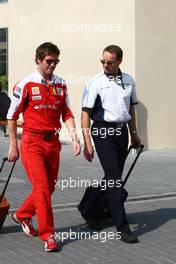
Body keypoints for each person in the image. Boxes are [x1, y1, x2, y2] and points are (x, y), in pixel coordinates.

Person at [7, 42, 81, 252]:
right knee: (41, 189)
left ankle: (21, 215)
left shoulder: (60, 83)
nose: (52, 65)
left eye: (56, 61)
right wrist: (13, 145)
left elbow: (66, 112)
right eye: (49, 61)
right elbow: (12, 116)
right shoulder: (26, 84)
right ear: (38, 60)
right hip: (32, 142)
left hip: (53, 142)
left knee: (49, 188)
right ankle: (48, 235)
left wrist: (75, 138)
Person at [81, 45, 141, 243]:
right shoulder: (95, 83)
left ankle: (89, 209)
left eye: (110, 62)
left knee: (112, 177)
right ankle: (122, 227)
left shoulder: (129, 80)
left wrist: (134, 134)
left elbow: (131, 110)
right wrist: (87, 142)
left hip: (121, 132)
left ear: (119, 62)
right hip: (102, 131)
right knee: (115, 180)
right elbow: (85, 113)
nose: (105, 65)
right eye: (103, 62)